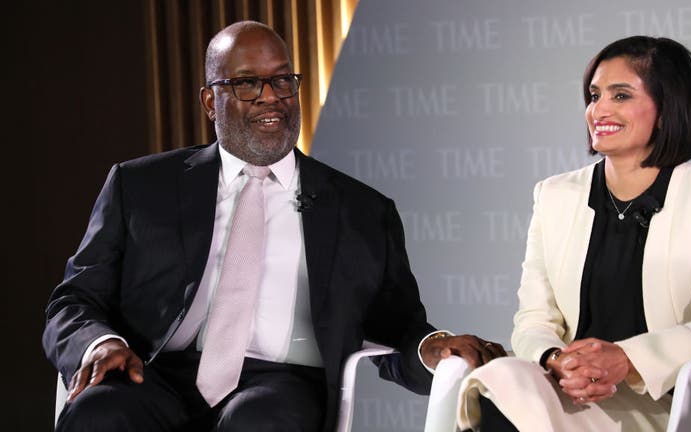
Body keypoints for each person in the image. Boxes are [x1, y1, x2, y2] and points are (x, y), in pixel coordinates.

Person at [43, 21, 506, 432]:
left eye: (282, 79)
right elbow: (74, 299)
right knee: (98, 414)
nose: (271, 97)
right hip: (153, 372)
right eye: (247, 83)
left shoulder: (361, 210)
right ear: (210, 100)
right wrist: (100, 343)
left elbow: (398, 325)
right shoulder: (141, 186)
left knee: (264, 422)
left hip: (279, 384)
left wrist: (432, 346)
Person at [456, 35, 691, 431]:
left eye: (620, 96)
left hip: (658, 402)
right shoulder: (554, 195)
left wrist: (628, 358)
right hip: (566, 392)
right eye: (594, 95)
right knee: (502, 380)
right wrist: (555, 357)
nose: (598, 109)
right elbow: (533, 318)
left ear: (667, 107)